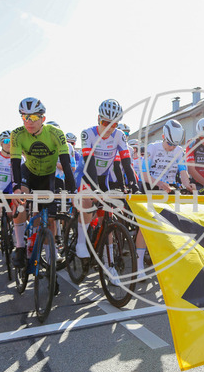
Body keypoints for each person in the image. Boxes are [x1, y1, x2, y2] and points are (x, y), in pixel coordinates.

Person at [10, 98, 76, 272]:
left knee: (50, 220)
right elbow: (15, 162)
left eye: (33, 117)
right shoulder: (17, 134)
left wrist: (72, 190)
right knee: (20, 201)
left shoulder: (55, 133)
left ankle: (50, 258)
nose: (28, 122)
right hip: (28, 173)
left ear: (43, 118)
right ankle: (20, 246)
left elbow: (66, 163)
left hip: (47, 176)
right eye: (24, 117)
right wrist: (16, 188)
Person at [76, 99, 138, 283]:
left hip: (103, 178)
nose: (109, 128)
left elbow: (126, 163)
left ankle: (109, 266)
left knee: (107, 220)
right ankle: (81, 242)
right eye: (105, 123)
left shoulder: (119, 135)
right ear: (98, 119)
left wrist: (133, 184)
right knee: (87, 203)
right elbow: (89, 163)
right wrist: (95, 190)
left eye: (114, 124)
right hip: (86, 174)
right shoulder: (88, 133)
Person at [135, 119, 196, 277]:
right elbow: (143, 174)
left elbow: (183, 172)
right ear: (163, 137)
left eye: (175, 145)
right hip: (149, 186)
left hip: (167, 188)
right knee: (145, 226)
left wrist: (188, 184)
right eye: (169, 144)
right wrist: (159, 183)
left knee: (170, 224)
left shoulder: (178, 151)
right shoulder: (152, 148)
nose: (172, 147)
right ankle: (139, 266)